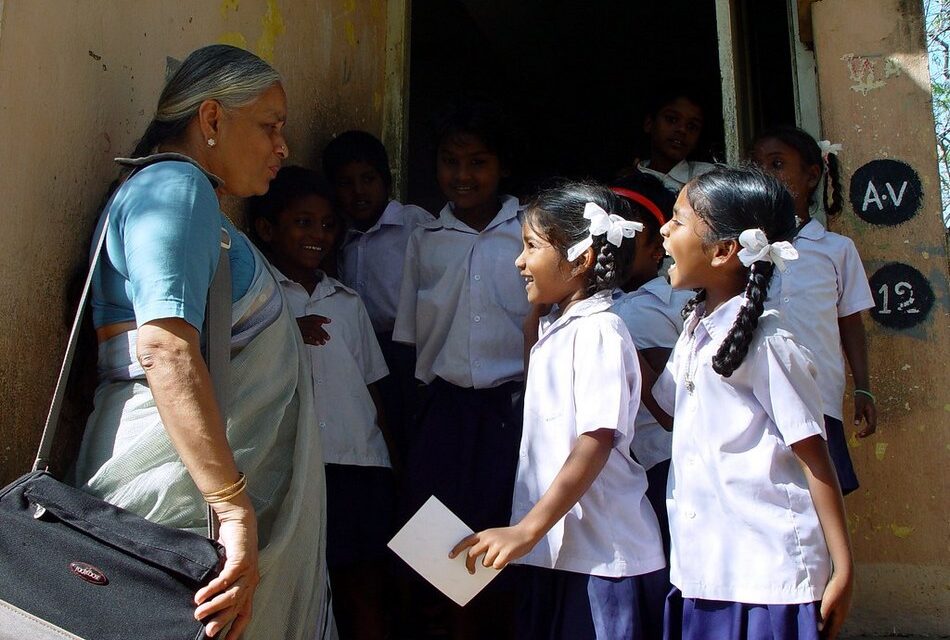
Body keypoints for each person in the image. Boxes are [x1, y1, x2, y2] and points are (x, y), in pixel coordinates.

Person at [69, 45, 331, 640]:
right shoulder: (176, 188)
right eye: (270, 127)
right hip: (179, 503)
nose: (282, 148)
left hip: (178, 491)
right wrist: (234, 508)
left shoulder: (178, 198)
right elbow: (165, 348)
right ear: (211, 120)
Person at [451, 182, 666, 640]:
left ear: (581, 259)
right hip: (555, 553)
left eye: (531, 247)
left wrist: (526, 529)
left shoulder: (599, 331)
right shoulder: (560, 327)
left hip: (603, 559)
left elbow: (596, 439)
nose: (519, 262)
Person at [655, 166, 853, 639]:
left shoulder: (769, 343)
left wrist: (842, 568)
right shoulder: (696, 331)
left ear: (723, 251)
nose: (663, 229)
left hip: (769, 579)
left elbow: (815, 456)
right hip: (705, 567)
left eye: (678, 220)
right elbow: (666, 411)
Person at [392, 98, 529, 637]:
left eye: (478, 162)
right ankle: (455, 627)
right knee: (435, 537)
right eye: (451, 161)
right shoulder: (425, 239)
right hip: (443, 407)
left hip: (512, 408)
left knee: (502, 530)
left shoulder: (528, 231)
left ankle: (496, 627)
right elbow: (409, 333)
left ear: (502, 167)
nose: (463, 175)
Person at [248, 166, 395, 640]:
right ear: (268, 229)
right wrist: (289, 332)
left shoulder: (347, 301)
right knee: (300, 586)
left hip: (358, 462)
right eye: (303, 223)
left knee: (363, 584)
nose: (319, 236)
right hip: (295, 464)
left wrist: (390, 459)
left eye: (328, 225)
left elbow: (372, 386)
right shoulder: (257, 298)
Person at [751, 126, 876, 494]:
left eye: (776, 164)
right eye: (756, 167)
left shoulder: (836, 249)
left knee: (821, 489)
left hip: (819, 394)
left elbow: (849, 321)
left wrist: (864, 389)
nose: (765, 176)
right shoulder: (743, 250)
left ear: (811, 176)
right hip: (758, 396)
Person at [322, 130, 433, 463]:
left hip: (409, 349)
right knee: (381, 433)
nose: (359, 191)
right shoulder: (338, 236)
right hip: (363, 352)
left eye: (368, 179)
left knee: (418, 432)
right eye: (345, 183)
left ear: (386, 179)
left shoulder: (415, 224)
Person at [608, 173, 693, 563]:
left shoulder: (663, 301)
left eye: (628, 236)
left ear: (658, 247)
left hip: (661, 462)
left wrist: (625, 349)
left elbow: (667, 409)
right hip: (613, 469)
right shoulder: (595, 301)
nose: (613, 246)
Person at [620, 91, 715, 193]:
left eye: (692, 126)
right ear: (649, 123)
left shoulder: (708, 178)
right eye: (672, 119)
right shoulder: (627, 180)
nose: (682, 130)